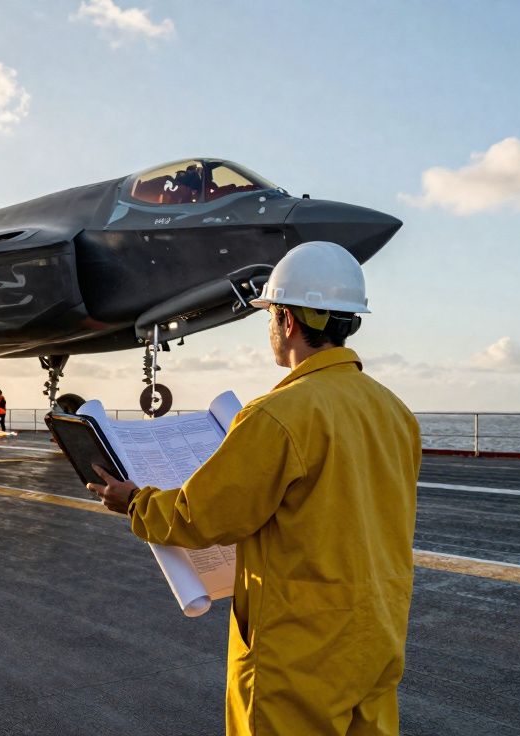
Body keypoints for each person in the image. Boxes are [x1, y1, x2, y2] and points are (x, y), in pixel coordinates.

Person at [88, 241, 421, 736]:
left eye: (269, 315)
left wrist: (135, 501)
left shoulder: (278, 414)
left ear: (286, 320)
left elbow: (202, 515)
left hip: (301, 646)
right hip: (376, 635)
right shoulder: (394, 412)